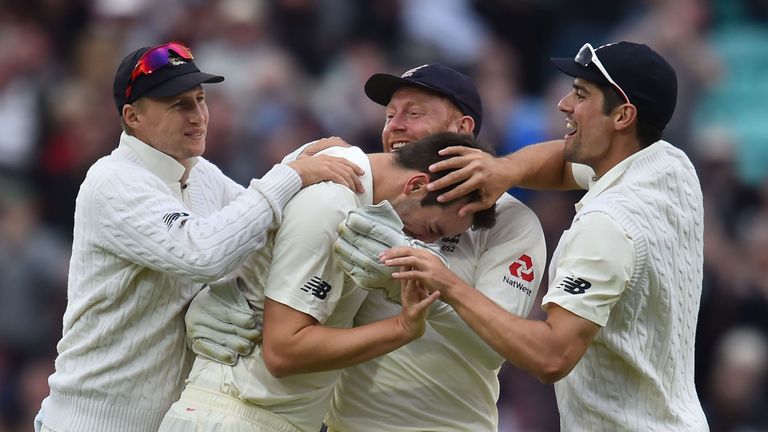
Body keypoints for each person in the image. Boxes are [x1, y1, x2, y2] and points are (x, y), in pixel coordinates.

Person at [189, 63, 546, 430]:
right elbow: (249, 256)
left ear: (462, 128)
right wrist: (223, 296)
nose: (395, 126)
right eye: (390, 114)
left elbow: (499, 347)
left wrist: (421, 286)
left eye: (415, 113)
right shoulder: (350, 193)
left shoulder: (510, 222)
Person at [37, 41, 364, 432]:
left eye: (201, 99)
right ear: (133, 116)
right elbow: (203, 253)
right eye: (179, 104)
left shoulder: (200, 171)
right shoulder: (111, 181)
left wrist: (306, 168)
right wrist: (291, 173)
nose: (198, 116)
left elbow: (259, 233)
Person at [382, 42, 709, 430]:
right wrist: (504, 170)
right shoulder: (670, 167)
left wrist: (446, 283)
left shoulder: (606, 226)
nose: (564, 104)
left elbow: (552, 356)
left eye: (582, 94)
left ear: (623, 115)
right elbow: (562, 162)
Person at [158, 132, 498, 432]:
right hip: (238, 415)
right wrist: (403, 328)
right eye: (432, 230)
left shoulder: (332, 171)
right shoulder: (332, 203)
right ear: (417, 185)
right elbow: (284, 350)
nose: (419, 241)